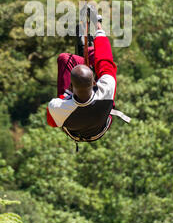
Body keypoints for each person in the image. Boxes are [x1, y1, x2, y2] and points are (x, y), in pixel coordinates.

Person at [47, 18, 120, 149]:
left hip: (74, 130)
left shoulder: (57, 107)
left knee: (65, 59)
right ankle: (90, 54)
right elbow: (106, 61)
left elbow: (52, 122)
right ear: (94, 82)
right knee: (99, 60)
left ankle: (83, 60)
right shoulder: (106, 89)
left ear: (70, 86)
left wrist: (66, 97)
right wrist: (99, 30)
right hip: (100, 127)